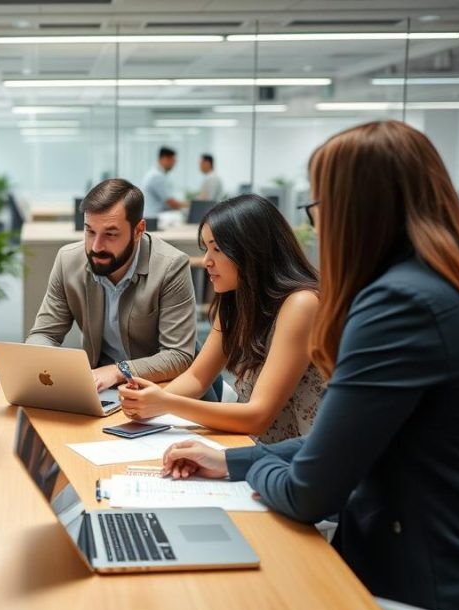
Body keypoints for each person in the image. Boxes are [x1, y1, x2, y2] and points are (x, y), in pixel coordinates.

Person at [163, 120, 459, 610]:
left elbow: (310, 492)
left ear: (353, 212)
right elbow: (347, 443)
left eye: (319, 207)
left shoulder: (397, 307)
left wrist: (253, 461)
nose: (318, 227)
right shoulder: (458, 287)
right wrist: (232, 460)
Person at [119, 194, 323, 443]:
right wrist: (146, 403)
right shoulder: (236, 301)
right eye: (206, 249)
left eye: (217, 248)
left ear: (251, 250)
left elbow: (258, 416)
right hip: (258, 452)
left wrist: (165, 402)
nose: (206, 261)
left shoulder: (301, 304)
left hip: (301, 464)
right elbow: (197, 378)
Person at [26, 178, 197, 391]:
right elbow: (44, 334)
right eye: (89, 231)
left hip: (160, 387)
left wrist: (119, 371)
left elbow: (178, 356)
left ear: (138, 230)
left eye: (110, 234)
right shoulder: (68, 261)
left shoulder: (170, 266)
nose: (96, 246)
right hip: (102, 386)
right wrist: (43, 363)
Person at [142, 146, 189, 226]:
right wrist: (189, 205)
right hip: (155, 218)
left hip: (154, 217)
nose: (174, 164)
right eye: (173, 160)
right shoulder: (157, 176)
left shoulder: (157, 174)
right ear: (164, 159)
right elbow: (171, 202)